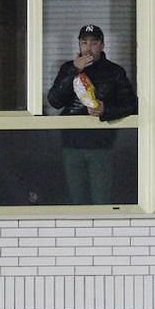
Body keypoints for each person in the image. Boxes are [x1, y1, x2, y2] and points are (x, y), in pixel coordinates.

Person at [46, 23, 138, 205]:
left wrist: (106, 111)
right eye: (84, 43)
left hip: (101, 145)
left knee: (101, 200)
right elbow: (54, 101)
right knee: (76, 201)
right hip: (72, 145)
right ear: (79, 45)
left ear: (102, 45)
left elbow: (131, 105)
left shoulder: (114, 72)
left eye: (94, 43)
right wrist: (74, 69)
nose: (89, 48)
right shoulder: (68, 68)